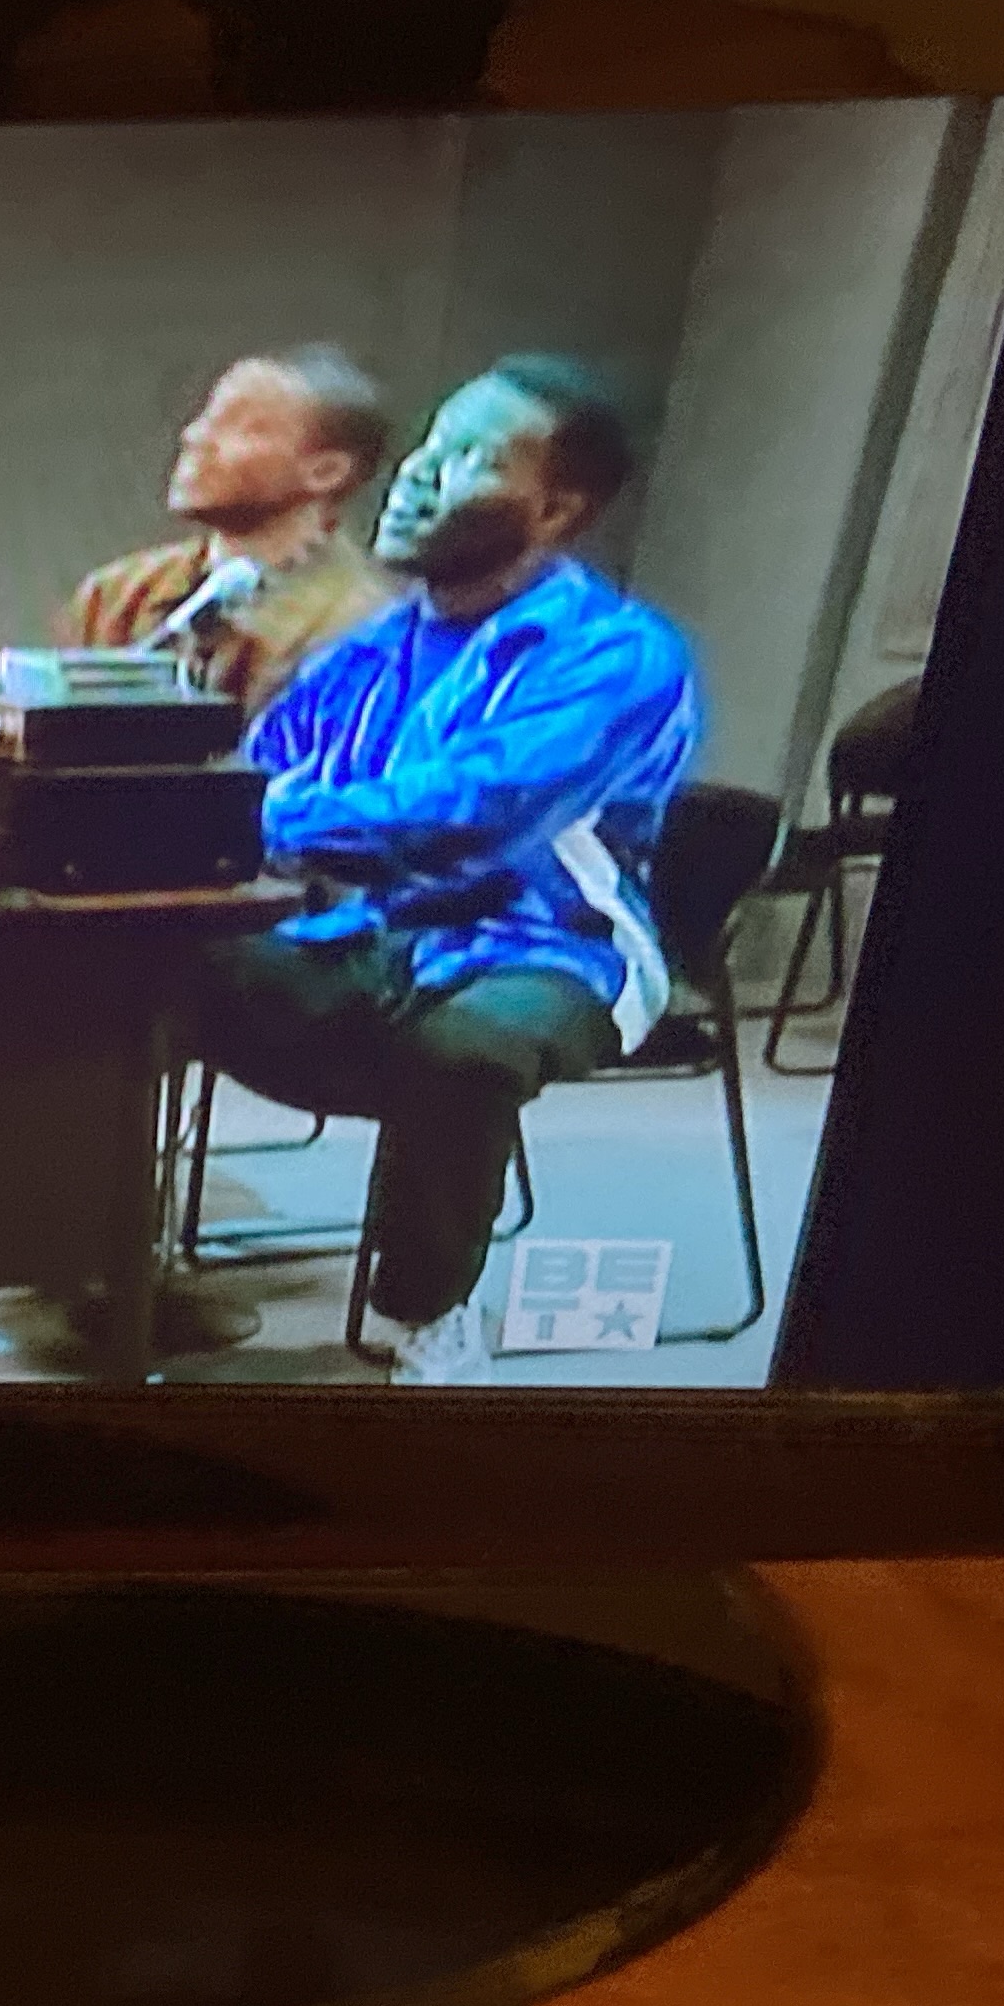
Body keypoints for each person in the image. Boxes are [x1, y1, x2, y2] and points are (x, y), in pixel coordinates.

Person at [196, 355, 700, 1384]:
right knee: (135, 963)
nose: (421, 471)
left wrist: (255, 817)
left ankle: (424, 1311)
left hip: (551, 946)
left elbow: (471, 812)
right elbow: (254, 774)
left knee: (464, 1049)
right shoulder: (372, 648)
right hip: (371, 935)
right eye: (431, 441)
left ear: (555, 510)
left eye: (471, 457)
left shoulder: (615, 653)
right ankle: (114, 1266)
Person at [60, 347, 399, 713]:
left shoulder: (366, 627)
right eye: (207, 416)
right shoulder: (117, 596)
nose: (195, 436)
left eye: (246, 427)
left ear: (325, 472)